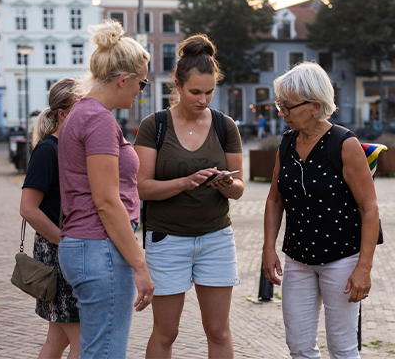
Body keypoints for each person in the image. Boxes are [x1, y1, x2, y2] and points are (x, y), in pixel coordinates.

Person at [135, 34, 245, 359]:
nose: (203, 99)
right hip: (167, 241)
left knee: (219, 331)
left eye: (210, 92)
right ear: (178, 86)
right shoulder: (153, 125)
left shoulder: (225, 126)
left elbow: (239, 189)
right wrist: (184, 182)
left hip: (216, 239)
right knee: (166, 332)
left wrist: (226, 185)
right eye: (195, 92)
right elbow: (142, 186)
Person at [263, 62, 379, 358]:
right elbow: (275, 199)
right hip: (298, 259)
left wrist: (363, 267)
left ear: (315, 106)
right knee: (299, 347)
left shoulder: (344, 143)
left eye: (287, 107)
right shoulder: (287, 143)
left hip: (341, 260)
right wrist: (268, 247)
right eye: (280, 105)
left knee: (342, 348)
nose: (281, 113)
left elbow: (369, 208)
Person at [57, 19, 154, 358]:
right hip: (101, 249)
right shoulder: (98, 119)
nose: (141, 92)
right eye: (141, 84)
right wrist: (140, 266)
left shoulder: (81, 113)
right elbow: (107, 202)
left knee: (96, 349)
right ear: (122, 79)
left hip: (86, 246)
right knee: (106, 352)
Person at [20, 78, 80, 359]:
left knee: (57, 341)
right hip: (59, 256)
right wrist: (65, 242)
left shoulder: (69, 149)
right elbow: (29, 208)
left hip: (65, 252)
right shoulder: (47, 150)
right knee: (85, 342)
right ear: (63, 114)